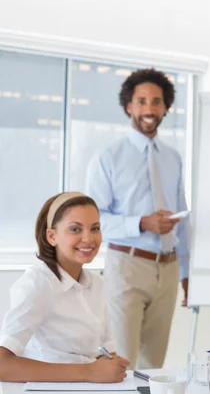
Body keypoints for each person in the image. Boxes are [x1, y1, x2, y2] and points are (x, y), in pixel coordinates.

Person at [86, 68, 191, 369]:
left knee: (152, 368)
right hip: (127, 267)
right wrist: (141, 223)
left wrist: (186, 272)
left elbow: (182, 218)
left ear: (165, 108)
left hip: (168, 270)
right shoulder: (108, 157)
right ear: (129, 106)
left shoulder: (173, 157)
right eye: (142, 101)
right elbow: (95, 222)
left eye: (156, 101)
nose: (149, 108)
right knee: (121, 364)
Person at [0, 192, 129, 382]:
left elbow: (105, 352)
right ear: (52, 236)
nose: (89, 238)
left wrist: (110, 364)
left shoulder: (97, 285)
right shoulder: (38, 283)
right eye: (75, 229)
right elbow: (3, 366)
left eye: (95, 228)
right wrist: (90, 372)